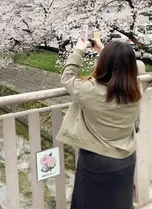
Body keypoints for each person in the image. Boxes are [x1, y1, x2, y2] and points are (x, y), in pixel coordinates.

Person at [56, 38, 142, 209]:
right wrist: (103, 49)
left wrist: (79, 50)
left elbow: (67, 77)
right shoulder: (135, 88)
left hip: (96, 161)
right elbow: (121, 69)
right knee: (120, 203)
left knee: (88, 203)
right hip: (126, 159)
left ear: (103, 63)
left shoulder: (89, 90)